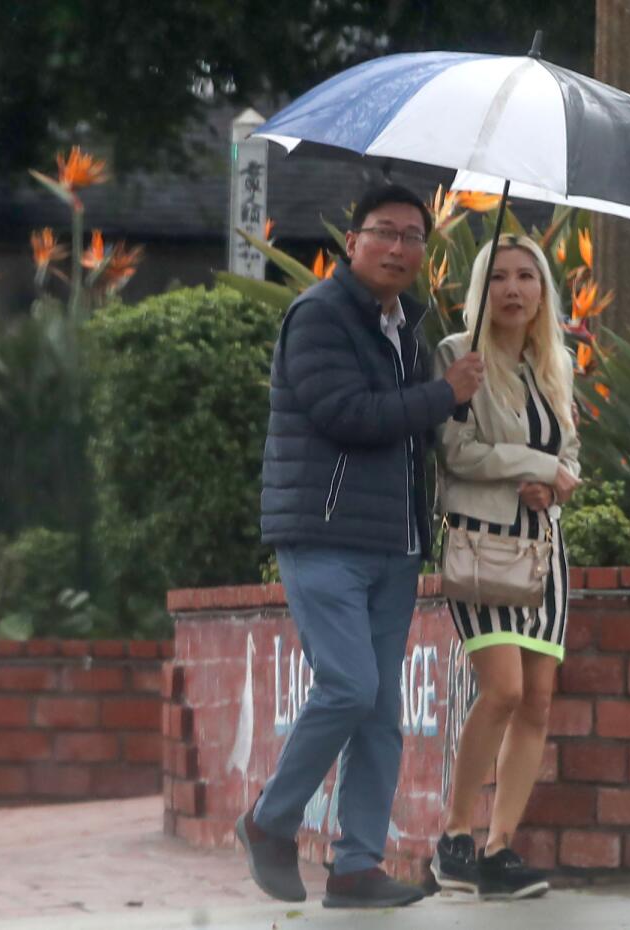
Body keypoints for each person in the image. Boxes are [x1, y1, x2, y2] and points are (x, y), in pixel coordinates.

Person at [238, 183, 485, 909]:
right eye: (385, 232)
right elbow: (346, 413)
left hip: (393, 542)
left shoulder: (406, 325)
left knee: (379, 712)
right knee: (349, 686)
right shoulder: (317, 314)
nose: (400, 248)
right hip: (323, 534)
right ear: (352, 242)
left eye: (414, 237)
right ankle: (268, 820)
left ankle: (355, 867)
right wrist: (445, 393)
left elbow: (414, 431)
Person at [430, 235, 581, 900]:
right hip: (481, 548)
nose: (514, 290)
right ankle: (455, 837)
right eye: (499, 278)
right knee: (504, 691)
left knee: (538, 702)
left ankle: (499, 848)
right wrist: (536, 467)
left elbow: (571, 454)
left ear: (543, 292)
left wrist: (555, 483)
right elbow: (456, 451)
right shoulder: (456, 357)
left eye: (527, 278)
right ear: (480, 289)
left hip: (543, 553)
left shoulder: (555, 364)